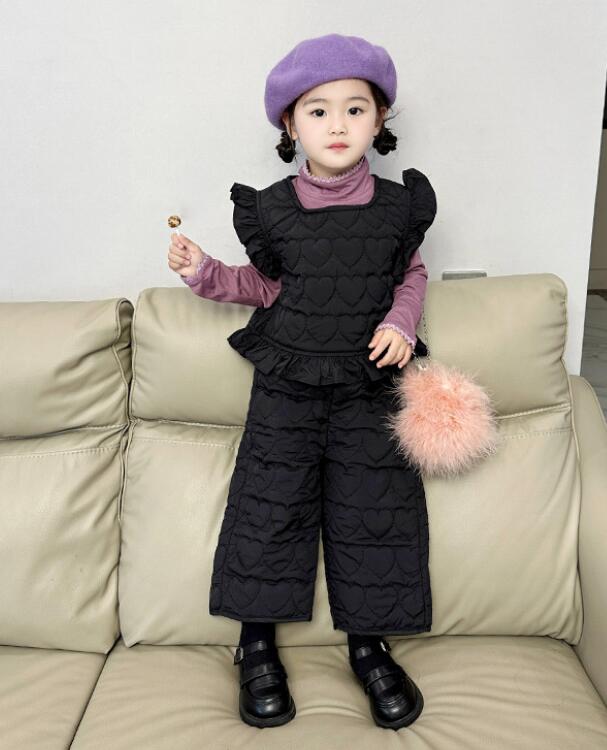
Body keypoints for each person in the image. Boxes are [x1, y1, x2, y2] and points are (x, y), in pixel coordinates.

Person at [167, 33, 437, 732]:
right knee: (269, 507)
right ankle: (256, 643)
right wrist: (202, 271)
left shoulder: (397, 207)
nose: (337, 124)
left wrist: (401, 323)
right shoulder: (272, 208)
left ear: (379, 119)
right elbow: (261, 286)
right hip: (287, 383)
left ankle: (369, 646)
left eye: (355, 108)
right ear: (290, 125)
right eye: (318, 111)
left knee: (374, 510)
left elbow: (410, 275)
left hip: (369, 385)